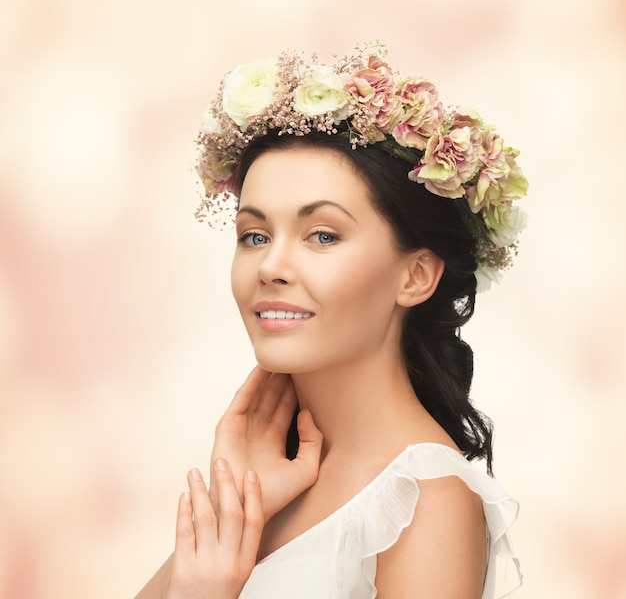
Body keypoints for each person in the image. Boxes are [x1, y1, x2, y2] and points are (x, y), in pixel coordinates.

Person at [135, 42, 526, 599]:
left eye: (322, 235)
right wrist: (233, 508)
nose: (271, 265)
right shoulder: (263, 484)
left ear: (415, 276)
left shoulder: (429, 500)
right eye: (255, 235)